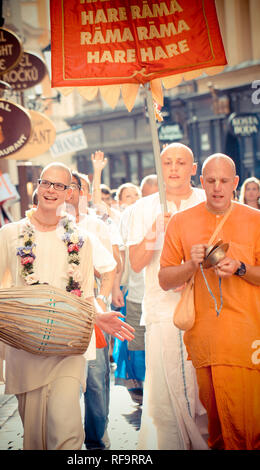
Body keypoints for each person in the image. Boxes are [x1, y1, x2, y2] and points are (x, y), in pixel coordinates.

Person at [0, 162, 134, 450]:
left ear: (69, 193)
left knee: (66, 429)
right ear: (37, 188)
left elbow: (85, 293)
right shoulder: (11, 234)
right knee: (35, 436)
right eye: (46, 183)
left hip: (69, 344)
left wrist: (100, 315)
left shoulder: (81, 239)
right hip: (24, 344)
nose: (51, 190)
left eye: (60, 185)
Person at [159, 153, 260, 450]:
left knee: (245, 426)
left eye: (224, 181)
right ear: (201, 182)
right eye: (211, 180)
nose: (217, 187)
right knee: (216, 426)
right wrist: (191, 265)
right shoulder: (181, 222)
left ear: (235, 183)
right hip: (203, 337)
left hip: (246, 333)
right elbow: (164, 279)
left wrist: (240, 267)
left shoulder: (255, 220)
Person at [128, 143, 208, 450]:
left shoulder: (206, 201)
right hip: (162, 310)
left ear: (193, 168)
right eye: (167, 162)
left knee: (202, 388)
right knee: (167, 387)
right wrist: (153, 233)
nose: (173, 168)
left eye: (181, 162)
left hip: (204, 305)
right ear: (159, 167)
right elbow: (135, 264)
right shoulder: (143, 207)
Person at [65, 170, 117, 450]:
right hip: (60, 314)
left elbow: (109, 267)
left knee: (96, 379)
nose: (68, 192)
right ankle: (68, 439)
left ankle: (96, 439)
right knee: (64, 381)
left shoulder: (95, 226)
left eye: (74, 187)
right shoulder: (43, 226)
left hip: (92, 309)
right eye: (64, 187)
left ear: (83, 192)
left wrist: (103, 300)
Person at [112, 175, 158, 405]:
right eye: (147, 195)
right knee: (136, 341)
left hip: (164, 292)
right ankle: (142, 386)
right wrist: (116, 286)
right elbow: (120, 253)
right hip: (137, 291)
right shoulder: (131, 214)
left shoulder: (169, 212)